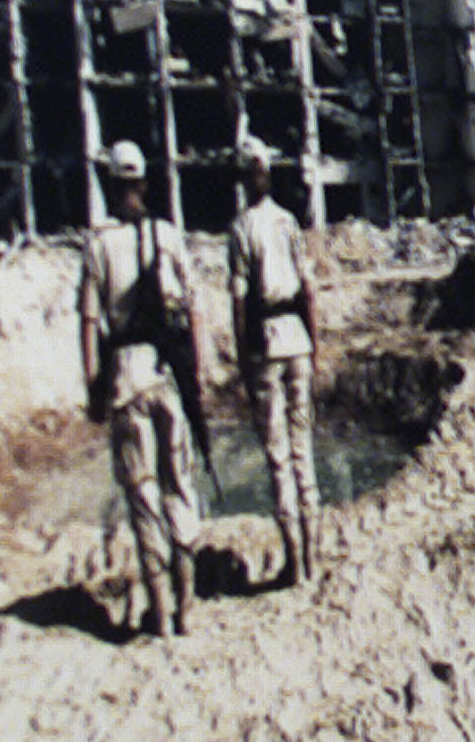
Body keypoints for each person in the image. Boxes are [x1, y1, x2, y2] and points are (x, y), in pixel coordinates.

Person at [80, 142, 210, 637]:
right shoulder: (168, 235)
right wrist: (195, 376)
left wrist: (93, 387)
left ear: (111, 186)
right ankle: (187, 608)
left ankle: (159, 611)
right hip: (169, 376)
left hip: (126, 381)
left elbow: (91, 325)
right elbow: (195, 311)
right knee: (180, 486)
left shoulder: (98, 244)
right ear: (145, 184)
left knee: (143, 496)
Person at [226, 139, 320, 591]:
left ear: (246, 178)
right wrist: (314, 347)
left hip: (266, 341)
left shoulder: (242, 228)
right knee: (304, 452)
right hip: (296, 340)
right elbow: (309, 292)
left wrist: (244, 360)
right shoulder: (287, 223)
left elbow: (239, 302)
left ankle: (296, 563)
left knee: (279, 457)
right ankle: (314, 556)